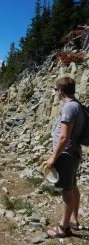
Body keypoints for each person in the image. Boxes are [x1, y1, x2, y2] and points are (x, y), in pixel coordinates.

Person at [45, 76, 85, 238]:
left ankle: (64, 227)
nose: (55, 92)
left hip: (66, 154)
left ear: (60, 91)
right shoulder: (77, 105)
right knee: (73, 186)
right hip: (73, 152)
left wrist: (53, 158)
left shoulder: (69, 108)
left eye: (56, 90)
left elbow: (63, 137)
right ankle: (74, 220)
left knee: (67, 191)